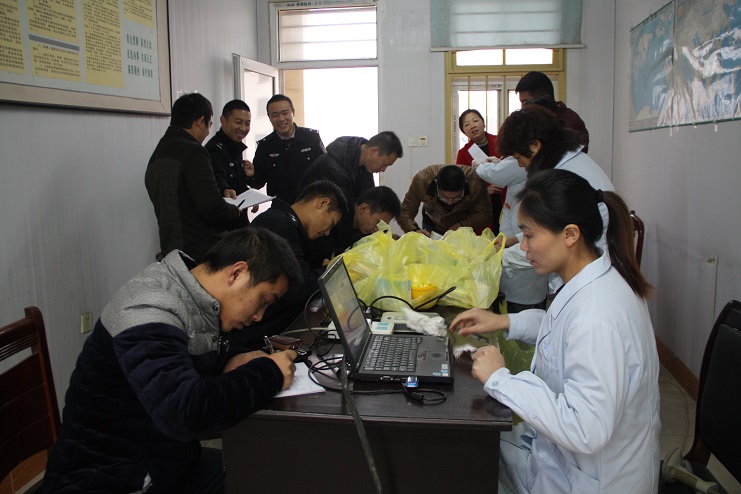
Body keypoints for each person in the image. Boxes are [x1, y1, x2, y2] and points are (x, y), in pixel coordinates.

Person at [43, 228, 303, 493]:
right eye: (263, 300)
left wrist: (232, 361)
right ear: (236, 273)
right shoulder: (150, 308)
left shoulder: (194, 298)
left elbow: (185, 369)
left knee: (273, 473)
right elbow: (183, 413)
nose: (259, 316)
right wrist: (267, 374)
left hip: (167, 462)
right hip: (108, 478)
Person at [450, 169, 660, 494]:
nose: (523, 247)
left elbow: (586, 429)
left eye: (529, 235)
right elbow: (561, 329)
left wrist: (500, 379)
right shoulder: (595, 279)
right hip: (564, 460)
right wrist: (504, 322)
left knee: (460, 460)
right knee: (471, 446)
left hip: (588, 480)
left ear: (570, 234)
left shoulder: (597, 315)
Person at [495, 106, 613, 295]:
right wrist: (513, 240)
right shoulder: (570, 161)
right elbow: (553, 227)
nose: (520, 165)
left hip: (590, 277)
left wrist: (498, 257)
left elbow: (549, 241)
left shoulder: (566, 177)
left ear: (535, 146)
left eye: (518, 157)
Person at [228, 180, 349, 352]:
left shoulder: (287, 224)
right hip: (249, 339)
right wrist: (328, 271)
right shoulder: (280, 225)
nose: (327, 232)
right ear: (322, 203)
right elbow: (300, 287)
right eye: (331, 223)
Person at [145, 93, 248, 263]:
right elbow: (211, 207)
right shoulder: (194, 151)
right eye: (209, 125)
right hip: (201, 252)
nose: (207, 133)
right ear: (200, 121)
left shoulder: (158, 152)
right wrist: (234, 211)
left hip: (172, 251)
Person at [298, 131, 403, 260]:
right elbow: (330, 220)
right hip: (313, 239)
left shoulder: (364, 168)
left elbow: (370, 207)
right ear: (374, 151)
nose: (383, 169)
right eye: (385, 163)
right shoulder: (332, 167)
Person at [245, 94, 325, 204]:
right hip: (281, 208)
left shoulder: (311, 138)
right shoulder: (265, 146)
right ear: (269, 117)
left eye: (285, 113)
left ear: (293, 112)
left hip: (311, 204)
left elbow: (325, 170)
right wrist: (252, 175)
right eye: (275, 115)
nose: (281, 119)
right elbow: (258, 183)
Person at [397, 164, 492, 237]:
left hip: (463, 224)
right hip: (432, 220)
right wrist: (415, 231)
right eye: (444, 197)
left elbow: (485, 214)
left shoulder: (475, 182)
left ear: (464, 186)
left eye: (456, 198)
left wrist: (461, 225)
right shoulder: (422, 180)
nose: (450, 202)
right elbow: (405, 212)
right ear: (436, 185)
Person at [515, 71, 590, 152]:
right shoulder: (533, 122)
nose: (523, 108)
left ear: (544, 99)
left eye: (525, 102)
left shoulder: (570, 122)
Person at [456, 109, 503, 234]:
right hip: (482, 203)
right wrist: (485, 191)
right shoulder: (464, 153)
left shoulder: (500, 141)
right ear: (464, 131)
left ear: (483, 123)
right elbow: (462, 184)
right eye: (467, 124)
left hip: (505, 197)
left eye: (475, 121)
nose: (472, 126)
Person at [205, 99, 252, 199]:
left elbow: (238, 182)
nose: (243, 128)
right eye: (238, 122)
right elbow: (217, 177)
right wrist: (225, 189)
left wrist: (250, 195)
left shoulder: (236, 146)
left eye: (247, 124)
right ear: (223, 120)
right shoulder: (214, 149)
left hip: (239, 207)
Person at [335, 185, 401, 253]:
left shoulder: (366, 228)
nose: (377, 230)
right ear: (363, 209)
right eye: (378, 222)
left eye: (382, 225)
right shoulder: (335, 217)